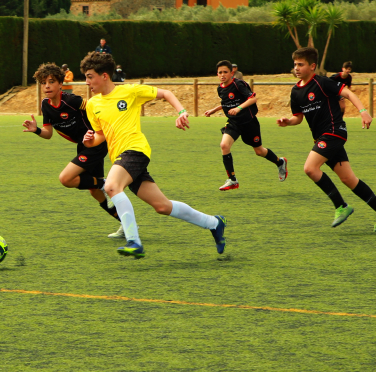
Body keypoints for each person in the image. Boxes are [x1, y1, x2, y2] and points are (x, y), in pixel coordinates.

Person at [81, 51, 227, 259]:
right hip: (122, 159)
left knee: (112, 186)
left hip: (135, 150)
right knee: (162, 206)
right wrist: (90, 141)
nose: (87, 82)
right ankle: (214, 223)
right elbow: (100, 136)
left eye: (89, 76)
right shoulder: (93, 105)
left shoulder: (130, 92)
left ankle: (134, 241)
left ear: (104, 76)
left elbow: (166, 93)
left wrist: (181, 111)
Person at [277, 47, 376, 231]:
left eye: (301, 64)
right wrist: (288, 122)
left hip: (334, 132)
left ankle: (341, 206)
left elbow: (348, 93)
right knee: (349, 179)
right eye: (295, 65)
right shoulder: (295, 92)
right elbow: (298, 117)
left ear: (312, 66)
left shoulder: (322, 83)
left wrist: (363, 111)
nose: (297, 68)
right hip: (322, 137)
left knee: (310, 168)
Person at [22, 63, 120, 233]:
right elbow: (48, 133)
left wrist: (107, 126)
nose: (47, 86)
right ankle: (126, 223)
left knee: (66, 179)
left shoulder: (71, 100)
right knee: (94, 191)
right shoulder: (45, 105)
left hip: (95, 142)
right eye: (43, 83)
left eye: (51, 82)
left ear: (61, 84)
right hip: (84, 146)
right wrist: (36, 130)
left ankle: (104, 183)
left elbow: (93, 107)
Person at [205, 60, 288, 191]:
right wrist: (213, 110)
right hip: (233, 122)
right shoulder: (220, 88)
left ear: (231, 72)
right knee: (224, 145)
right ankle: (232, 180)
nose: (222, 75)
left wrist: (238, 108)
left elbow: (253, 98)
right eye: (220, 72)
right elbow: (226, 103)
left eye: (225, 72)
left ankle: (280, 162)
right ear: (217, 74)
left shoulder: (239, 84)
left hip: (249, 122)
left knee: (259, 151)